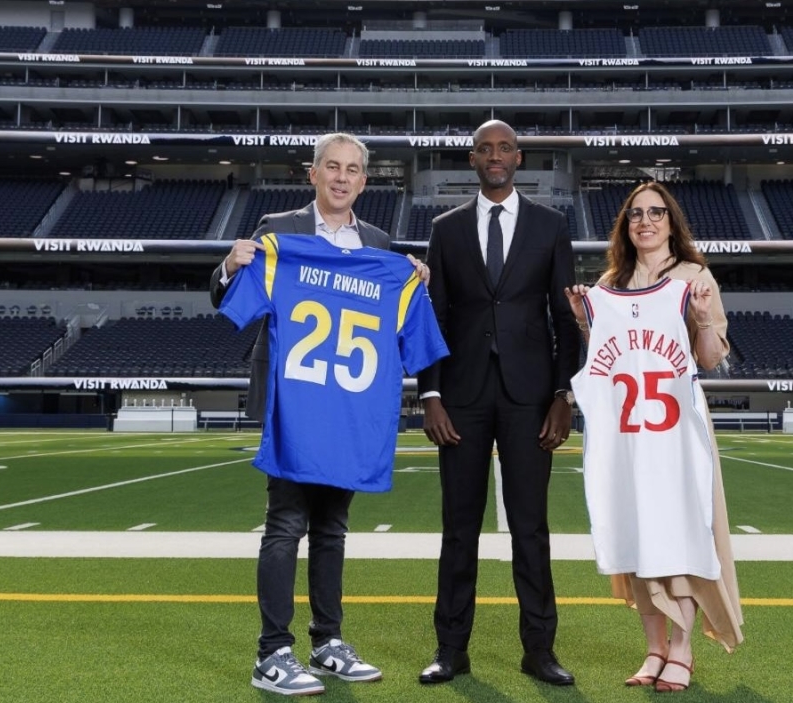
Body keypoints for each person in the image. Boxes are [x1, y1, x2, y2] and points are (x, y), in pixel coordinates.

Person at [209, 132, 430, 697]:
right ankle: (272, 653)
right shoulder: (279, 230)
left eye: (352, 169)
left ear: (364, 180)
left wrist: (415, 281)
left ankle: (327, 641)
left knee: (332, 527)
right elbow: (227, 299)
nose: (341, 177)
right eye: (332, 166)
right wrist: (230, 266)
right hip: (294, 404)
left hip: (347, 408)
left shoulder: (379, 244)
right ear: (313, 174)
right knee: (286, 523)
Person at [417, 119, 581, 686]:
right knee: (458, 529)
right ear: (472, 159)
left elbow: (564, 319)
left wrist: (563, 395)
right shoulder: (445, 228)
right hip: (460, 397)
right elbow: (434, 316)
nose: (495, 155)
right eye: (485, 148)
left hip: (529, 398)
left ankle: (540, 650)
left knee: (530, 529)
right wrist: (430, 393)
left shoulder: (551, 225)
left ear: (518, 157)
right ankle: (450, 650)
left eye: (504, 147)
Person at [565, 181, 744, 693]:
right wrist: (584, 321)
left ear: (671, 222)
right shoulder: (610, 284)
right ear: (625, 225)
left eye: (656, 213)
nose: (645, 221)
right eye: (636, 214)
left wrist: (703, 318)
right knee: (635, 532)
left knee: (681, 532)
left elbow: (709, 358)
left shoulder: (693, 276)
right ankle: (654, 647)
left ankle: (682, 648)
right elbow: (603, 357)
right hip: (627, 434)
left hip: (676, 430)